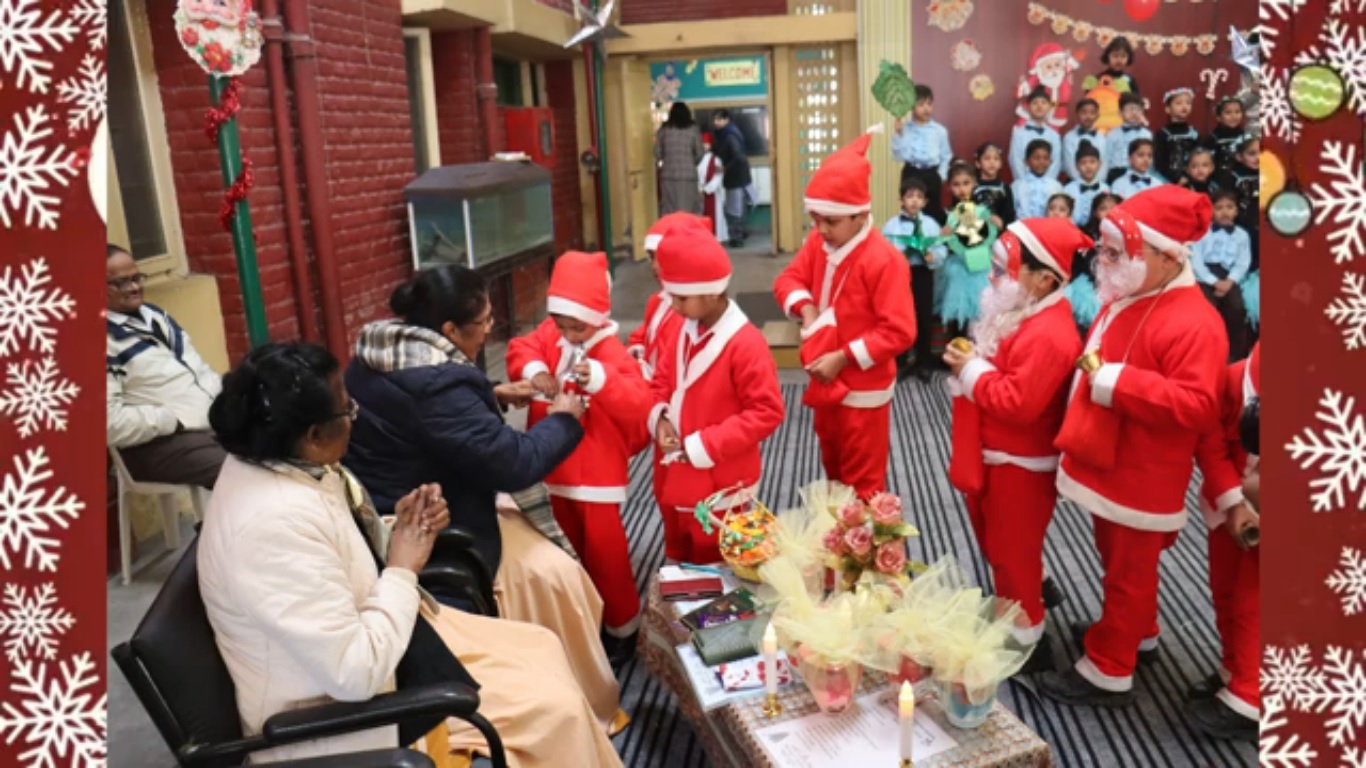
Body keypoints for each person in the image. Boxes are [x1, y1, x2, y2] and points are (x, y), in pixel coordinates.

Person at [199, 342, 624, 767]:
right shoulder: (270, 527)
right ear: (313, 435)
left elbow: (332, 553)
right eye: (348, 411)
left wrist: (395, 530)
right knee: (556, 710)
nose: (354, 418)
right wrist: (403, 565)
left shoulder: (281, 461)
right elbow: (355, 674)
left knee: (540, 644)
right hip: (338, 716)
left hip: (381, 647)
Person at [342, 266, 630, 712]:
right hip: (436, 522)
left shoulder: (381, 352)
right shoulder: (438, 387)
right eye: (484, 322)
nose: (491, 329)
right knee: (559, 573)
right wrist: (564, 419)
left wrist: (491, 396)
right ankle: (572, 685)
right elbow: (515, 464)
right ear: (449, 330)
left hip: (406, 496)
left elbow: (421, 419)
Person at [1041, 186, 1228, 707]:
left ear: (1167, 256)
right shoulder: (1138, 289)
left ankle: (1109, 667)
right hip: (1112, 460)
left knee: (1129, 570)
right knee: (1119, 560)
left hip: (1143, 473)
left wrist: (1114, 382)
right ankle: (1137, 632)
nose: (1106, 262)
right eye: (1105, 251)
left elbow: (1197, 405)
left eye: (1119, 253)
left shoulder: (1195, 321)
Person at [944, 218, 1089, 673]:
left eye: (1003, 270)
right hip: (998, 455)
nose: (992, 279)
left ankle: (1027, 642)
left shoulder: (1050, 333)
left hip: (1021, 463)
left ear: (1044, 279)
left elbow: (1018, 404)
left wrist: (971, 370)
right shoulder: (1025, 310)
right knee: (999, 542)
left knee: (1011, 551)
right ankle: (1029, 596)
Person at [505, 251, 653, 646]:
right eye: (561, 325)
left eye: (577, 327)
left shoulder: (611, 352)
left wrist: (603, 380)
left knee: (605, 556)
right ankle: (579, 619)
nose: (568, 335)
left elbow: (639, 405)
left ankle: (622, 628)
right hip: (551, 465)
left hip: (595, 476)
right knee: (562, 550)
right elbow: (521, 347)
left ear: (598, 318)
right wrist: (536, 371)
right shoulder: (551, 332)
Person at [774, 128, 917, 498]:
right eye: (815, 219)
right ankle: (839, 533)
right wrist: (806, 309)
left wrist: (843, 356)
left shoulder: (884, 261)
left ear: (860, 214)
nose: (820, 229)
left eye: (831, 221)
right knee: (834, 475)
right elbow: (788, 279)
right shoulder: (819, 241)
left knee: (863, 486)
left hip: (863, 389)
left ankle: (863, 537)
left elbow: (900, 331)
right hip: (825, 380)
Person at [652, 226, 784, 563]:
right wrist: (661, 417)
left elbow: (767, 411)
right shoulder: (683, 330)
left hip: (724, 475)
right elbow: (662, 378)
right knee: (682, 549)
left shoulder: (746, 343)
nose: (673, 306)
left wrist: (703, 445)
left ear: (711, 293)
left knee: (719, 557)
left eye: (681, 298)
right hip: (682, 471)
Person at [106, 244, 226, 489]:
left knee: (280, 450)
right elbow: (110, 424)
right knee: (241, 474)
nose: (134, 287)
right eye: (121, 283)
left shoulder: (155, 316)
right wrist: (172, 421)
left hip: (207, 425)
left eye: (136, 278)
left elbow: (198, 371)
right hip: (157, 444)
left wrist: (227, 401)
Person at [1189, 343, 1260, 743]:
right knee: (1226, 591)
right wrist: (1233, 502)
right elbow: (1211, 440)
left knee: (1256, 603)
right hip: (1233, 505)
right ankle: (1236, 669)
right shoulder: (1237, 377)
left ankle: (1253, 695)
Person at [883, 177, 946, 382]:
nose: (914, 200)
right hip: (900, 276)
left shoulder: (931, 225)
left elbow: (941, 249)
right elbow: (884, 251)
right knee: (900, 317)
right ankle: (900, 361)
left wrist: (932, 256)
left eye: (919, 197)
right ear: (901, 200)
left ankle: (924, 362)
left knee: (923, 317)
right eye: (910, 196)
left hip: (923, 274)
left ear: (925, 202)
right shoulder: (891, 226)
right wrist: (898, 257)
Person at [1192, 190, 1253, 362]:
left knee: (1237, 308)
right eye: (1219, 208)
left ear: (1236, 211)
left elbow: (1243, 262)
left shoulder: (1242, 235)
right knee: (1207, 310)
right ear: (1210, 211)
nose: (1224, 212)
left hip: (1229, 276)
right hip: (1204, 276)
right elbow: (1196, 261)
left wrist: (1229, 281)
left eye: (1229, 207)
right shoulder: (1202, 232)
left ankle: (1235, 354)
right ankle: (1206, 353)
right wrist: (1214, 282)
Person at [941, 165, 994, 339]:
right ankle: (958, 347)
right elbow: (946, 244)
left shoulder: (982, 211)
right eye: (956, 184)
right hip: (958, 267)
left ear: (974, 184)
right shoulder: (948, 213)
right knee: (959, 315)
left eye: (966, 183)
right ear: (949, 187)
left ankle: (979, 349)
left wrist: (991, 224)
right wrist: (944, 237)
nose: (962, 189)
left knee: (981, 313)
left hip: (980, 267)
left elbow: (988, 236)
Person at [892, 84, 953, 224]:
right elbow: (898, 156)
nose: (926, 108)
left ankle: (933, 236)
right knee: (910, 210)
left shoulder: (940, 131)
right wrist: (899, 134)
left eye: (929, 104)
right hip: (911, 172)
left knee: (933, 211)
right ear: (912, 107)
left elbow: (946, 156)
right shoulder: (905, 129)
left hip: (932, 174)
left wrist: (941, 175)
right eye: (920, 104)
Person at [1066, 192, 1120, 333]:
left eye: (1113, 208)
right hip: (1090, 279)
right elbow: (1078, 263)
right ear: (1095, 213)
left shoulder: (1128, 234)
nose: (1109, 212)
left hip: (1118, 280)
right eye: (1103, 208)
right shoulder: (1085, 233)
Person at [711, 109, 755, 247]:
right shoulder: (729, 132)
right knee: (739, 207)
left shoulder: (729, 135)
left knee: (735, 208)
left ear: (726, 120)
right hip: (740, 175)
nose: (716, 122)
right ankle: (741, 232)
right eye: (714, 119)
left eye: (719, 119)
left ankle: (737, 238)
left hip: (736, 176)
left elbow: (738, 156)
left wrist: (725, 168)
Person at [654, 101, 704, 215]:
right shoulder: (693, 129)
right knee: (688, 209)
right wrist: (691, 163)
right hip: (689, 177)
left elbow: (657, 153)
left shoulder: (664, 129)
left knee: (670, 210)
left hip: (668, 176)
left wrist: (666, 159)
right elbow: (700, 153)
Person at [1009, 86, 1063, 182]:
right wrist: (1025, 183)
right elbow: (1015, 161)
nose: (1039, 106)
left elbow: (1056, 162)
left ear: (1049, 107)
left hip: (1048, 186)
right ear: (1028, 107)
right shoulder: (1019, 134)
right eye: (1035, 103)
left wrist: (1046, 184)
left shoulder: (1054, 135)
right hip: (1024, 184)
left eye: (1043, 103)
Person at [1154, 88, 1201, 185]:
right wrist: (1176, 178)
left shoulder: (1194, 134)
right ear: (1167, 109)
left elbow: (1199, 158)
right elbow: (1159, 162)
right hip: (1167, 180)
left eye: (1188, 103)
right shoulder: (1163, 134)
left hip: (1191, 180)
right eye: (1179, 103)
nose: (1184, 106)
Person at [1104, 93, 1152, 185]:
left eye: (1138, 109)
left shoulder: (1147, 135)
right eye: (1130, 109)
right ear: (1120, 112)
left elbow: (1150, 159)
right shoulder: (1112, 134)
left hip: (1140, 174)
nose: (1134, 113)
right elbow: (1106, 159)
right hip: (1117, 174)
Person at [1012, 140, 1063, 219]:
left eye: (1046, 158)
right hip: (1023, 225)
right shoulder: (1017, 186)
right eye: (1036, 158)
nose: (1041, 162)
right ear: (1026, 161)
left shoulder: (1056, 186)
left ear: (1050, 161)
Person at [1063, 143, 1108, 227]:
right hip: (1074, 229)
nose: (1088, 166)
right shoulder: (1068, 189)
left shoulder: (1105, 189)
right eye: (1083, 163)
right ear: (1076, 166)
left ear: (1099, 164)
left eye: (1092, 162)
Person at [1062, 98, 1105, 184]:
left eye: (1092, 113)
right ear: (1077, 114)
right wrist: (1083, 184)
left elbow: (1103, 164)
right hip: (1075, 183)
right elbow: (1070, 165)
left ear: (1097, 115)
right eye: (1084, 113)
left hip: (1097, 183)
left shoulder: (1101, 138)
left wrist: (1094, 183)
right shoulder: (1069, 137)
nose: (1088, 116)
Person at [972, 142, 1015, 229]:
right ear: (978, 163)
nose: (992, 162)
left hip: (999, 231)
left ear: (1001, 164)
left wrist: (1003, 223)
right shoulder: (973, 187)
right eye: (987, 158)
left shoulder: (1004, 188)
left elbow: (1010, 214)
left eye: (996, 159)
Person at [1204, 97, 1250, 175]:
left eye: (1237, 112)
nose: (1234, 116)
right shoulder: (1213, 138)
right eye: (1228, 113)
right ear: (1218, 117)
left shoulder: (1245, 137)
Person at [697, 133, 728, 242]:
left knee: (714, 217)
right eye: (702, 143)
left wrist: (708, 189)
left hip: (712, 193)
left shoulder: (716, 160)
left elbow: (718, 176)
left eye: (706, 143)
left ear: (710, 145)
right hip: (698, 193)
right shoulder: (696, 159)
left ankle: (714, 239)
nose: (704, 146)